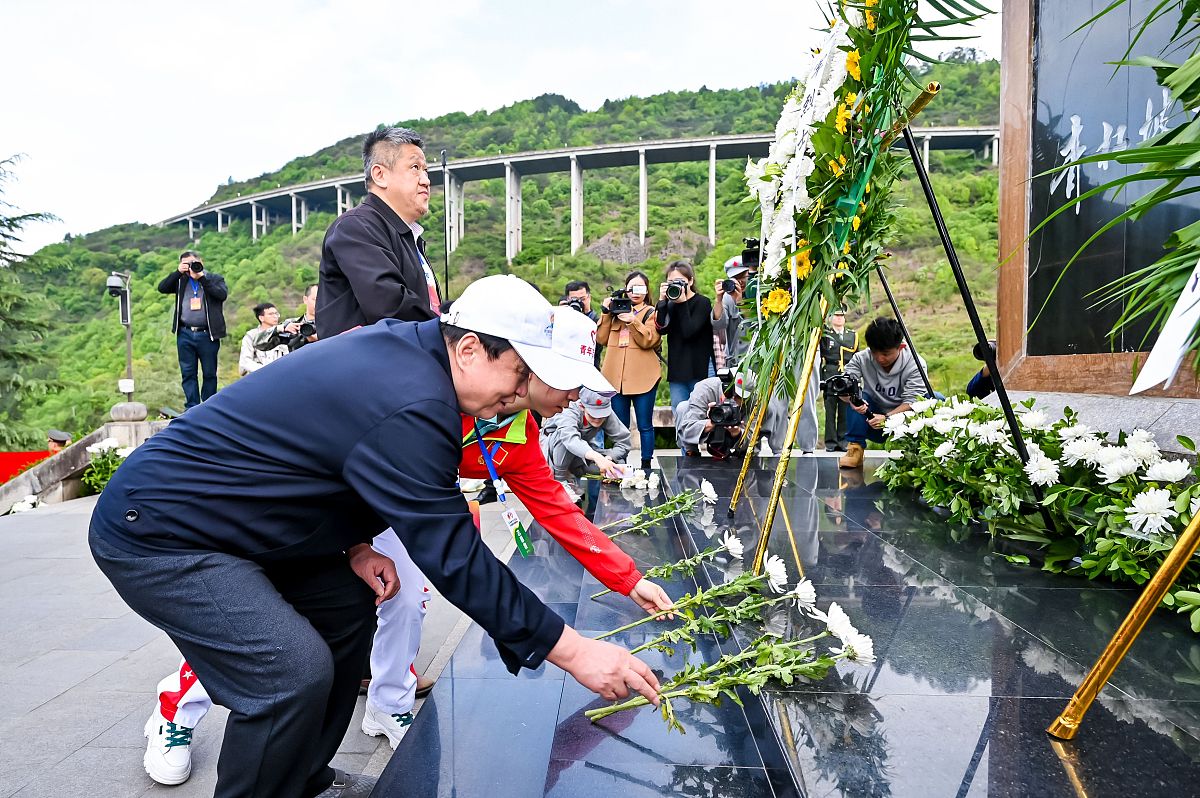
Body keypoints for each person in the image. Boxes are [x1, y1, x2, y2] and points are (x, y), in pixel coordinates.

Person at [93, 274, 661, 798]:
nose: (520, 394)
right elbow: (453, 556)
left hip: (241, 523)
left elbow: (321, 458)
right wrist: (575, 650)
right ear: (468, 350)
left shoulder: (413, 361)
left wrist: (357, 546)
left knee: (345, 608)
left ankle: (302, 777)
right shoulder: (414, 397)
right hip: (165, 531)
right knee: (287, 674)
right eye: (519, 375)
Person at [316, 127, 440, 338]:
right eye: (415, 167)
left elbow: (427, 309)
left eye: (426, 170)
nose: (426, 180)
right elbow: (389, 305)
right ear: (380, 175)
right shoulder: (355, 227)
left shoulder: (410, 238)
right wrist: (449, 328)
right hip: (366, 368)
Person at [838, 317, 932, 469]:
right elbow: (845, 386)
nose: (880, 358)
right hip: (871, 420)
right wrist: (851, 399)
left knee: (934, 399)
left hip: (905, 422)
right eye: (875, 352)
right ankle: (855, 448)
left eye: (886, 353)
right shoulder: (861, 358)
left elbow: (913, 402)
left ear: (901, 347)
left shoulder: (916, 364)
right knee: (857, 395)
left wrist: (887, 418)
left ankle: (926, 449)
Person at [598, 271, 660, 472]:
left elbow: (648, 340)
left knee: (644, 424)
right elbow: (601, 338)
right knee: (619, 426)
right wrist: (606, 312)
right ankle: (619, 465)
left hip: (644, 378)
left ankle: (646, 465)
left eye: (641, 288)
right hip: (615, 379)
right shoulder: (615, 310)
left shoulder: (651, 312)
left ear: (647, 290)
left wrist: (632, 320)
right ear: (625, 289)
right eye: (631, 288)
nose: (635, 293)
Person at [158, 250, 228, 409]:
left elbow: (221, 294)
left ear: (201, 261)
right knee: (188, 372)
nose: (191, 267)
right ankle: (192, 407)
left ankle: (209, 406)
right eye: (186, 264)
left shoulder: (214, 278)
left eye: (193, 263)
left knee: (209, 372)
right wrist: (177, 272)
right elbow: (162, 288)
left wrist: (202, 278)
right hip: (185, 333)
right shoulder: (181, 280)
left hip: (207, 333)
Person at [674, 371, 787, 459]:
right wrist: (709, 422)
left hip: (740, 429)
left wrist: (738, 434)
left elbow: (751, 438)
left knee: (771, 408)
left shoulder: (756, 401)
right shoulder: (705, 389)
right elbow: (686, 429)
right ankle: (691, 454)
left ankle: (759, 456)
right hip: (707, 429)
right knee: (682, 408)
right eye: (732, 393)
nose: (734, 399)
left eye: (740, 397)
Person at [655, 260, 714, 409]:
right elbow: (661, 329)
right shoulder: (670, 304)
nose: (676, 285)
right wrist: (662, 301)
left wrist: (681, 303)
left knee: (701, 412)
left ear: (690, 281)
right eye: (671, 282)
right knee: (680, 414)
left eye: (680, 281)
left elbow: (689, 331)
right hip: (677, 371)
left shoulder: (703, 303)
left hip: (699, 370)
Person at [540, 387, 632, 482]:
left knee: (617, 465)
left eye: (602, 415)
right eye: (593, 415)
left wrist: (609, 458)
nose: (597, 419)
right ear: (582, 407)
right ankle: (560, 481)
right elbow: (570, 440)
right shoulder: (568, 410)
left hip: (581, 454)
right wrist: (597, 457)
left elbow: (624, 442)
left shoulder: (606, 412)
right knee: (564, 438)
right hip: (552, 454)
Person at [820, 308, 859, 452]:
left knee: (845, 411)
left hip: (846, 376)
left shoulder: (852, 335)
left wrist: (856, 379)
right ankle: (830, 443)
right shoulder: (825, 334)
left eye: (841, 316)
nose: (839, 318)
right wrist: (820, 379)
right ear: (831, 318)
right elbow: (820, 358)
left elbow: (857, 357)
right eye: (836, 315)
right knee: (830, 412)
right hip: (830, 375)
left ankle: (843, 441)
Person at [254, 284, 320, 354]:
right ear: (305, 300)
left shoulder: (331, 324)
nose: (320, 303)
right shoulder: (294, 324)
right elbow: (258, 343)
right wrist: (281, 328)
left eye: (323, 300)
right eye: (315, 299)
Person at [711, 256, 749, 366]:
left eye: (743, 276)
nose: (740, 282)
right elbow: (718, 325)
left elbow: (752, 324)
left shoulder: (758, 293)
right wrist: (718, 299)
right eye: (735, 279)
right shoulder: (728, 298)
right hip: (735, 361)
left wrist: (740, 301)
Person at [238, 303, 289, 376]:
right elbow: (245, 362)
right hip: (258, 376)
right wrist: (267, 371)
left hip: (279, 375)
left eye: (276, 314)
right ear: (261, 318)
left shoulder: (283, 334)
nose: (275, 316)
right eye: (271, 314)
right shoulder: (251, 336)